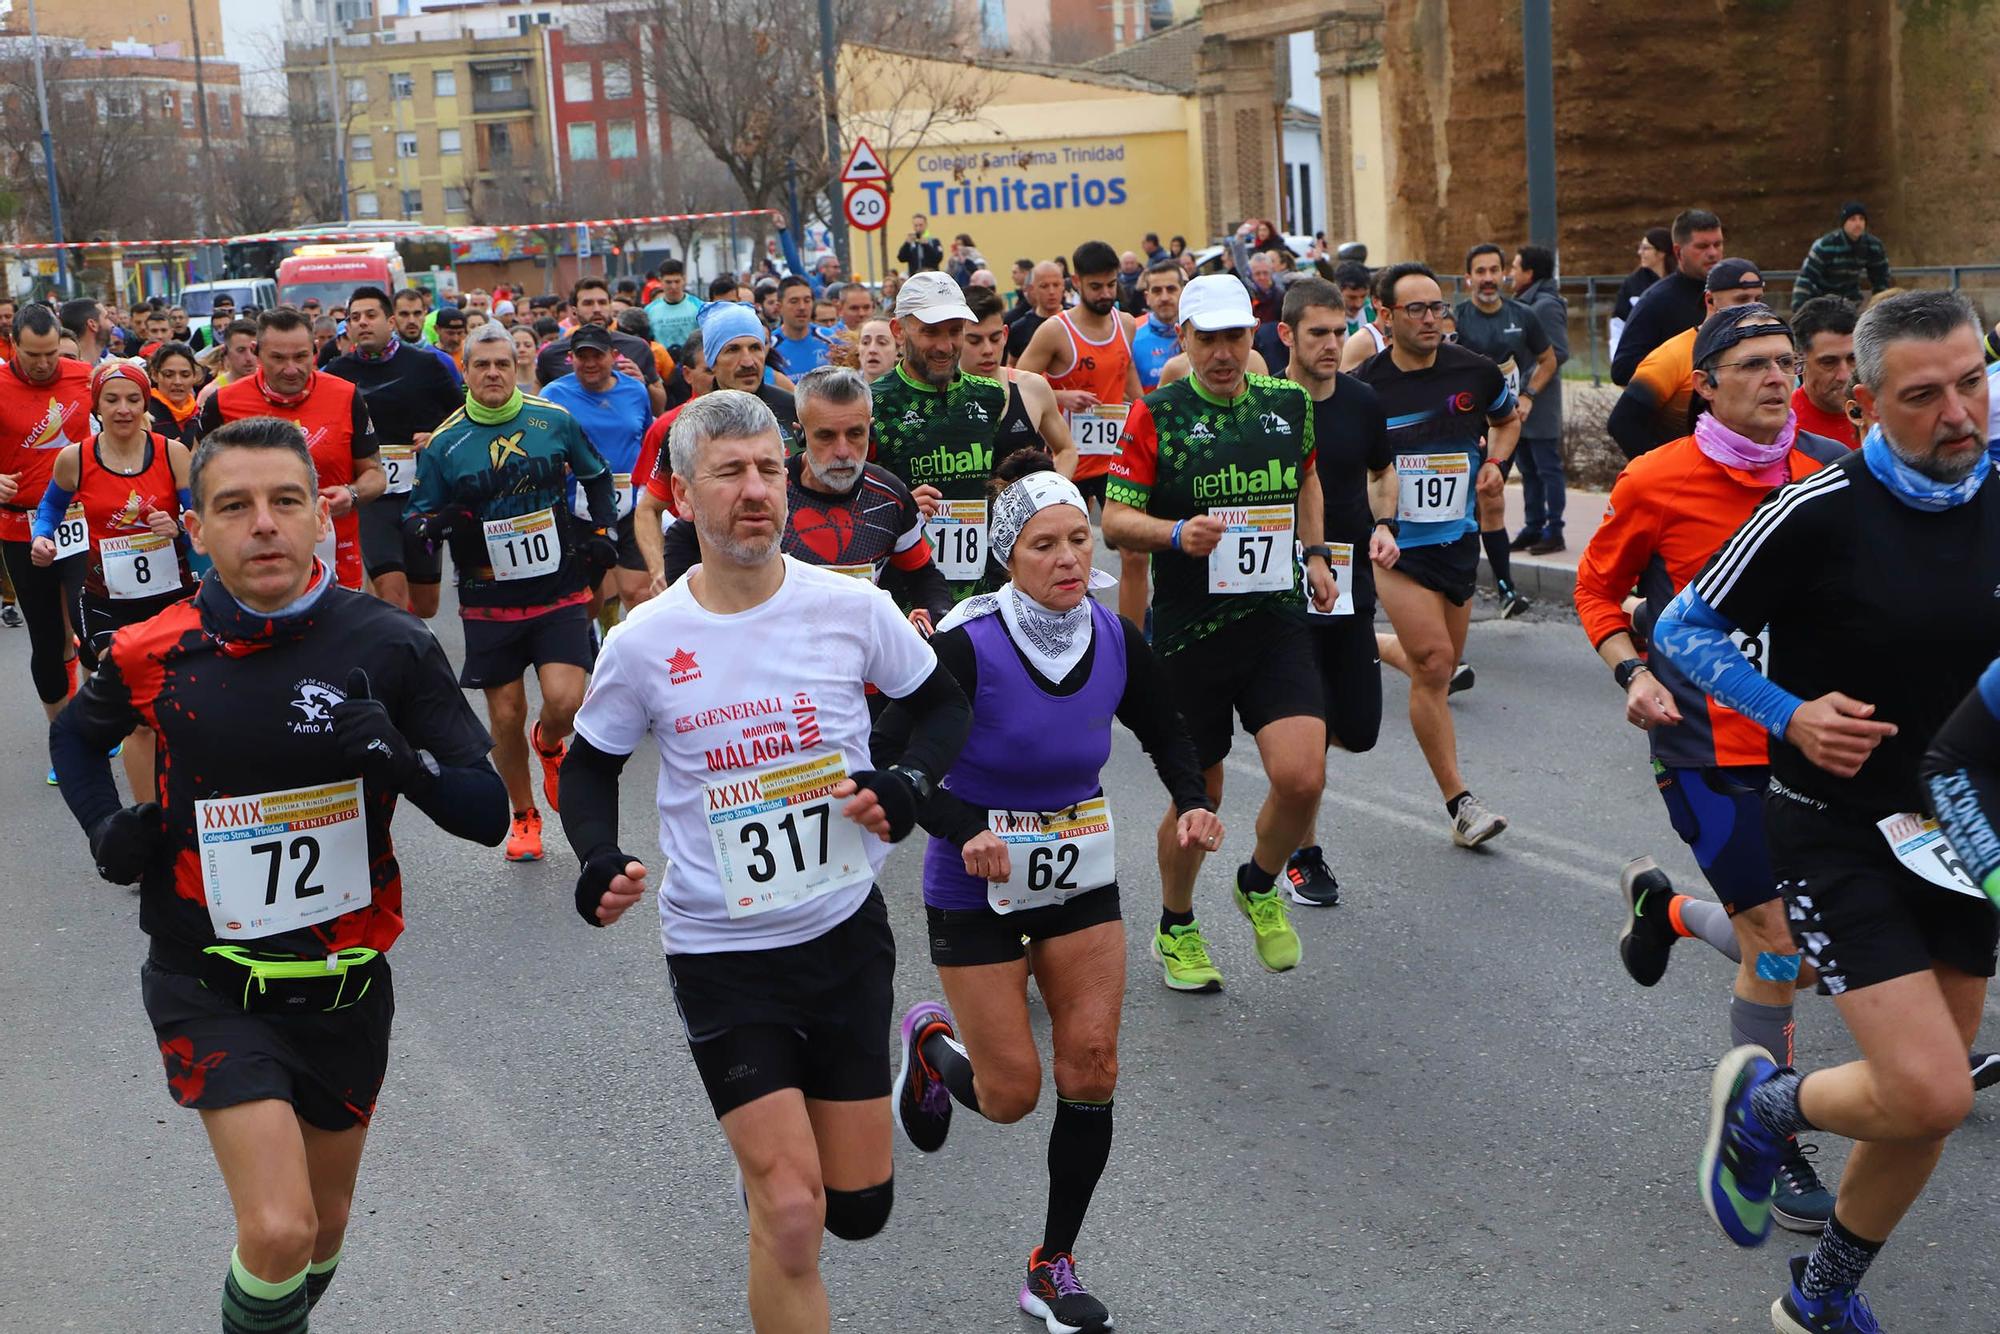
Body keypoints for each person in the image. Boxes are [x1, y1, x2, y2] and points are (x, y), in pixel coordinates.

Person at [49, 415, 507, 1334]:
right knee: (276, 1227)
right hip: (208, 979)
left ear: (319, 515)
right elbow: (76, 733)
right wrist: (106, 827)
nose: (264, 524)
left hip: (343, 986)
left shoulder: (391, 644)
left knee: (322, 1230)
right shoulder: (153, 649)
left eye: (285, 501)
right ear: (196, 527)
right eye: (235, 506)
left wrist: (402, 765)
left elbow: (486, 813)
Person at [556, 388, 970, 1334]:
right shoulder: (647, 640)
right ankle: (775, 1192)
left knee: (857, 1210)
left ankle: (898, 1065)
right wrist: (597, 859)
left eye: (770, 471)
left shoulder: (850, 606)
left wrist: (903, 783)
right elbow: (589, 767)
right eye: (731, 472)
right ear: (681, 495)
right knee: (792, 1214)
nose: (756, 492)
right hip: (721, 953)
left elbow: (944, 705)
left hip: (841, 934)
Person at [1655, 291, 1998, 1330]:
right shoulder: (1819, 510)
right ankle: (1762, 1105)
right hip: (1834, 825)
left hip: (1960, 832)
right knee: (1933, 1088)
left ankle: (1818, 1294)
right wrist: (1788, 712)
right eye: (1922, 394)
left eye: (1971, 382)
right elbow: (1683, 627)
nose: (1957, 413)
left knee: (1917, 1109)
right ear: (1861, 402)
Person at [882, 466, 1221, 1334]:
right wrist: (962, 827)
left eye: (1078, 539)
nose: (1069, 558)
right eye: (1045, 544)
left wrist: (1192, 800)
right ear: (1009, 555)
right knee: (1010, 1096)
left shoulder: (1113, 635)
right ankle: (932, 1050)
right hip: (976, 878)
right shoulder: (962, 644)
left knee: (1093, 1066)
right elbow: (891, 760)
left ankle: (1052, 1262)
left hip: (1079, 870)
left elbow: (1165, 726)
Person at [1577, 303, 1851, 1235]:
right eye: (1757, 366)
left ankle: (1669, 913)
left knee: (1802, 954)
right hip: (1705, 748)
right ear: (1706, 385)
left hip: (1805, 751)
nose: (1780, 378)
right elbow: (1596, 588)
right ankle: (1771, 1134)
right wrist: (1632, 669)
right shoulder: (1657, 479)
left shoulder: (1825, 478)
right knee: (1777, 942)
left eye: (1787, 363)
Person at [1103, 274, 1334, 991]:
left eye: (1236, 336)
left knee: (1302, 777)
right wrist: (1175, 532)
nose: (1225, 352)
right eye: (1209, 339)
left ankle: (1260, 882)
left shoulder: (1289, 404)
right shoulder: (1155, 414)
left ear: (1254, 335)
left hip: (1273, 619)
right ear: (1185, 340)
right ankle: (1176, 924)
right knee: (1198, 796)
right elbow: (1115, 521)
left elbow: (1306, 481)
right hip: (1189, 633)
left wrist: (1318, 554)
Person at [405, 322, 620, 864]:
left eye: (503, 363)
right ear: (467, 373)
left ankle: (548, 742)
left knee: (568, 700)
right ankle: (524, 815)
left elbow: (596, 476)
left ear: (517, 368)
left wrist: (600, 531)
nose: (494, 373)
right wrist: (438, 524)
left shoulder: (554, 420)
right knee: (503, 714)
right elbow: (416, 518)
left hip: (558, 584)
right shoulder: (445, 443)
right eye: (482, 365)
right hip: (487, 597)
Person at [1356, 262, 1517, 846]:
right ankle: (1461, 805)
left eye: (1438, 308)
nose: (1431, 319)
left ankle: (1362, 641)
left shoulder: (1473, 371)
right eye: (1416, 310)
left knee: (1443, 666)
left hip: (1456, 540)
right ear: (1386, 315)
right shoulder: (1365, 384)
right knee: (1431, 665)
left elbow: (1507, 419)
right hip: (1394, 544)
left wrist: (1496, 465)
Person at [649, 366, 951, 631]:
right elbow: (684, 537)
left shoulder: (891, 495)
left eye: (855, 434)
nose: (844, 451)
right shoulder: (769, 490)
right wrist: (690, 617)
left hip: (864, 677)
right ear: (801, 434)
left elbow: (923, 574)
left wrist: (936, 618)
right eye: (826, 436)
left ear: (870, 432)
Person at [1274, 277, 1395, 906]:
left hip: (1351, 581)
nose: (1331, 343)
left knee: (1361, 727)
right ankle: (1302, 852)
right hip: (1282, 583)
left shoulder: (1362, 400)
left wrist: (1385, 526)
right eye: (1318, 332)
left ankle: (1291, 789)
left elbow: (1383, 471)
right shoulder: (1262, 402)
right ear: (1287, 335)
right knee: (1310, 729)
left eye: (1339, 331)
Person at [31, 358, 196, 798]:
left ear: (145, 403)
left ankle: (180, 792)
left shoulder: (170, 452)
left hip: (170, 596)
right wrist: (42, 539)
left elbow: (200, 520)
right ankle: (150, 816)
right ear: (97, 405)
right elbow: (49, 508)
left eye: (133, 399)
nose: (123, 408)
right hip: (105, 597)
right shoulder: (76, 458)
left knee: (176, 704)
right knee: (136, 706)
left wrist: (178, 526)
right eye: (112, 399)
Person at [198, 309, 385, 592]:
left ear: (314, 351)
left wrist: (352, 494)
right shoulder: (222, 403)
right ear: (256, 353)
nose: (291, 368)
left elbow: (375, 475)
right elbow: (198, 480)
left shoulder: (346, 396)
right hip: (254, 551)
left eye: (300, 357)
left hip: (334, 552)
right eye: (278, 358)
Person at [1016, 241, 1146, 622]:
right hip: (1069, 457)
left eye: (1111, 285)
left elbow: (1129, 377)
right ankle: (1069, 629)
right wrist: (1061, 395)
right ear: (1077, 282)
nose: (1106, 294)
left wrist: (1145, 413)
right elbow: (1019, 382)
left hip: (1117, 459)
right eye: (1096, 287)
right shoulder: (1056, 331)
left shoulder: (1125, 325)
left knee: (1135, 552)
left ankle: (1135, 639)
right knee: (1067, 558)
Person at [324, 285, 465, 620]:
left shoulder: (427, 365)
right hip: (371, 499)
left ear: (390, 322)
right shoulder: (335, 375)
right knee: (392, 594)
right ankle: (400, 659)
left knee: (426, 605)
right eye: (354, 317)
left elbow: (464, 417)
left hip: (421, 496)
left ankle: (411, 636)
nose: (362, 323)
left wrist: (438, 436)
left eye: (370, 315)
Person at [867, 273, 1007, 605]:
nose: (945, 346)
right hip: (904, 595)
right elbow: (848, 503)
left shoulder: (989, 396)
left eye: (955, 331)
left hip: (982, 592)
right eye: (930, 332)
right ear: (898, 331)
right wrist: (900, 509)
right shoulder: (874, 404)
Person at [0, 305, 97, 737]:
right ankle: (65, 736)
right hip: (19, 527)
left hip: (80, 520)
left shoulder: (85, 376)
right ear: (13, 345)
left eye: (50, 354)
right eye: (32, 355)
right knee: (45, 635)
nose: (42, 365)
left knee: (89, 624)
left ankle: (97, 719)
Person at [1453, 242, 1554, 615]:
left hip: (1501, 427)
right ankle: (1455, 584)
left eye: (1494, 270)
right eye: (1480, 272)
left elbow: (1548, 359)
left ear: (1503, 274)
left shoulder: (1523, 316)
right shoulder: (1457, 319)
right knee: (1463, 507)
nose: (1488, 278)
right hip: (1461, 429)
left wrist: (1527, 395)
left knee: (1490, 499)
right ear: (1468, 279)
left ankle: (1505, 589)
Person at [539, 322, 654, 617]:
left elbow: (646, 437)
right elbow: (539, 446)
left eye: (597, 355)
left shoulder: (634, 390)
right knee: (586, 597)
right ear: (571, 358)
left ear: (613, 355)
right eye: (582, 356)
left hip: (629, 503)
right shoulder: (554, 394)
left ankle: (637, 656)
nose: (590, 363)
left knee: (639, 591)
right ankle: (596, 639)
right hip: (578, 506)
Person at [1607, 258, 1767, 459]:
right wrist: (1662, 472)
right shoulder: (1674, 355)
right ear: (1710, 300)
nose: (1754, 310)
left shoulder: (1766, 352)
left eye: (1758, 299)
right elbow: (1622, 423)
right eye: (1741, 300)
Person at [960, 288, 1078, 480]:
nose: (988, 350)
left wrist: (1052, 493)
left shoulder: (1032, 388)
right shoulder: (938, 395)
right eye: (974, 341)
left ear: (1005, 334)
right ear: (957, 339)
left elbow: (1066, 450)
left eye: (995, 338)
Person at [1612, 208, 1726, 384]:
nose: (1713, 253)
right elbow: (1623, 370)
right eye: (1702, 246)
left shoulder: (1735, 293)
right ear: (1678, 251)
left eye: (1717, 244)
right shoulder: (1655, 301)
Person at [1508, 244, 1571, 553]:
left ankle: (1554, 529)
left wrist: (1529, 386)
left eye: (1515, 268)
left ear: (1530, 273)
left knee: (1547, 467)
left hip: (1539, 401)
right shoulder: (1524, 303)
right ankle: (1533, 526)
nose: (1510, 274)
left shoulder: (1545, 306)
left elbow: (1558, 352)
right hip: (1520, 399)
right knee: (1529, 468)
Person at [539, 278, 666, 413]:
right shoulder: (552, 354)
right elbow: (537, 399)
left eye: (602, 302)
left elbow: (659, 408)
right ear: (574, 311)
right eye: (588, 303)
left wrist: (644, 384)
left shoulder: (638, 347)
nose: (597, 309)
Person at [1788, 296, 1861, 449]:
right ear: (1798, 362)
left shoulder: (1887, 417)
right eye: (1829, 362)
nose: (1845, 375)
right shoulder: (1780, 431)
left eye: (1852, 359)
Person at [1793, 201, 1893, 307]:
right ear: (1844, 223)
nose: (1858, 224)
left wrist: (1880, 305)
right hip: (1822, 300)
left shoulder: (1873, 246)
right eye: (1852, 219)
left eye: (1861, 219)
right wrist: (1799, 306)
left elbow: (1881, 277)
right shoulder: (1825, 245)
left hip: (1850, 301)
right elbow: (1806, 277)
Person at [1610, 227, 1674, 362]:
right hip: (1644, 360)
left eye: (1646, 248)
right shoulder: (1632, 284)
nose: (1640, 252)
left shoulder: (1680, 281)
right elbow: (1618, 324)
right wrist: (1617, 359)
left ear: (1661, 252)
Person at [1131, 258, 1184, 392]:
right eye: (1157, 291)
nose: (1164, 297)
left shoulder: (1201, 333)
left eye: (1171, 289)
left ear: (1183, 292)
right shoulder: (1131, 333)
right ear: (1147, 297)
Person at [392, 288, 463, 386]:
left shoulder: (442, 360)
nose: (411, 320)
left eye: (417, 313)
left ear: (425, 314)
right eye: (404, 314)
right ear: (393, 317)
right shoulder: (383, 359)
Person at [769, 274, 834, 378]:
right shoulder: (770, 346)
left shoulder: (831, 339)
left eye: (807, 300)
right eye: (794, 301)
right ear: (779, 307)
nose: (802, 307)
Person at [1005, 261, 1066, 364]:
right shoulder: (1019, 328)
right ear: (1032, 289)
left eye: (1056, 285)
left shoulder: (1077, 319)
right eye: (1044, 286)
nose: (1051, 291)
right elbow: (1011, 365)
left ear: (1063, 286)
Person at [146, 341, 205, 444]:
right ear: (155, 375)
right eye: (169, 375)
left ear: (194, 376)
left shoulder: (201, 415)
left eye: (185, 375)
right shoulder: (145, 414)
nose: (177, 382)